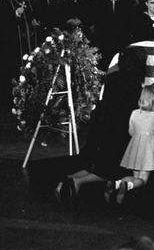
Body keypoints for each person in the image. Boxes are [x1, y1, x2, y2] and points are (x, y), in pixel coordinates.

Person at [54, 46, 147, 203]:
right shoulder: (134, 83)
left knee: (95, 163)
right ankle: (78, 182)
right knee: (109, 169)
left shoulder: (112, 77)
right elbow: (131, 109)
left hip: (101, 123)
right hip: (117, 127)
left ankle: (68, 180)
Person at [106, 84, 154, 204]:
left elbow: (131, 132)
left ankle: (117, 183)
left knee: (135, 176)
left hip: (135, 150)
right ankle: (126, 186)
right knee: (142, 180)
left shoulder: (134, 113)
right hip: (148, 152)